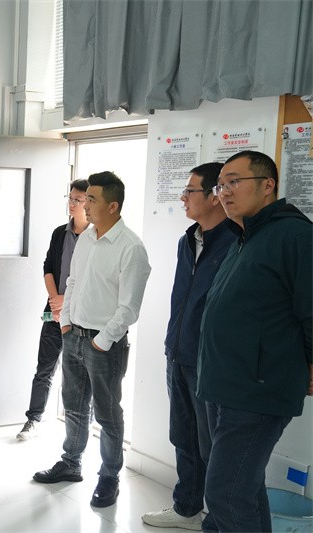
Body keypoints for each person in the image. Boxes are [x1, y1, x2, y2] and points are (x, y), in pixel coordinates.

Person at [198, 150, 312, 532]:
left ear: (268, 186)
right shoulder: (244, 236)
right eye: (221, 185)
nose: (225, 192)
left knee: (225, 493)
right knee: (242, 488)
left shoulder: (295, 235)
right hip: (224, 384)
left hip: (256, 389)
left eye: (234, 181)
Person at [33, 171, 151, 509]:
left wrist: (102, 340)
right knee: (73, 406)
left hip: (104, 345)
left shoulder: (131, 248)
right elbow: (72, 282)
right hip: (73, 336)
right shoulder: (86, 238)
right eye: (84, 199)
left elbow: (129, 308)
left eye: (92, 199)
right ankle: (71, 463)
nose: (84, 205)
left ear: (113, 206)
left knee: (107, 414)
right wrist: (66, 324)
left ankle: (109, 477)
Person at [141, 162, 234, 531]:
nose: (183, 198)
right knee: (183, 436)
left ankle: (219, 518)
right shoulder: (187, 240)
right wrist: (172, 344)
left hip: (209, 361)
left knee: (214, 447)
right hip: (178, 353)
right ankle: (186, 509)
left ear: (213, 197)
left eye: (190, 191)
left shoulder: (235, 242)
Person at [17, 179, 90, 440]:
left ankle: (78, 430)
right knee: (44, 369)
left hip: (80, 316)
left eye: (78, 199)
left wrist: (65, 301)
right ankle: (33, 420)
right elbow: (48, 267)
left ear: (89, 202)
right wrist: (55, 299)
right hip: (54, 312)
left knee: (78, 376)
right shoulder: (60, 233)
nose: (72, 203)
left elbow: (91, 279)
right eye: (70, 198)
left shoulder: (95, 236)